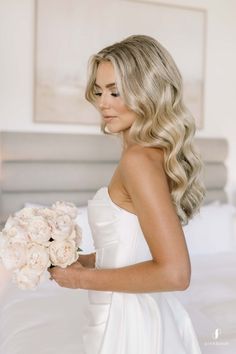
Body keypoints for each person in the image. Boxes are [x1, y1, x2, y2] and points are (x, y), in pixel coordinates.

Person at [49, 34, 205, 353]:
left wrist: (79, 280)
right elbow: (133, 246)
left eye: (115, 92)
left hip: (128, 320)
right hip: (129, 310)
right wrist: (85, 261)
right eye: (99, 91)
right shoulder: (147, 154)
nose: (103, 103)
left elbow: (175, 274)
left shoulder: (138, 160)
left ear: (147, 94)